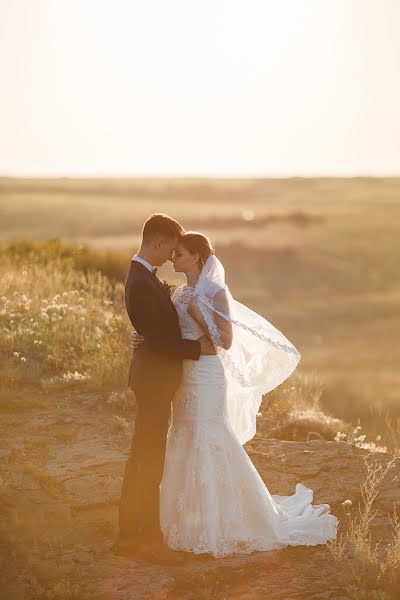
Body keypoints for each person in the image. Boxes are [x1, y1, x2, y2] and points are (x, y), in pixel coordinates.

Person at [132, 231, 339, 558]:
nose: (173, 258)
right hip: (184, 376)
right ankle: (181, 519)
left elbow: (226, 342)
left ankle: (220, 520)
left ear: (197, 257)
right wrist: (142, 338)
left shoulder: (216, 292)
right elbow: (169, 333)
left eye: (180, 254)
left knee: (208, 432)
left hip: (208, 375)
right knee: (184, 433)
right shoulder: (179, 294)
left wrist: (202, 319)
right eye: (173, 254)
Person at [116, 214, 215, 564]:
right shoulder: (141, 281)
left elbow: (153, 329)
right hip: (154, 380)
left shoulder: (144, 276)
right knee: (147, 458)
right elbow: (159, 339)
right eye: (171, 249)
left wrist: (145, 336)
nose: (172, 256)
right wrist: (196, 349)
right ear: (158, 243)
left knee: (144, 454)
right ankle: (138, 536)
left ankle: (135, 531)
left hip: (155, 377)